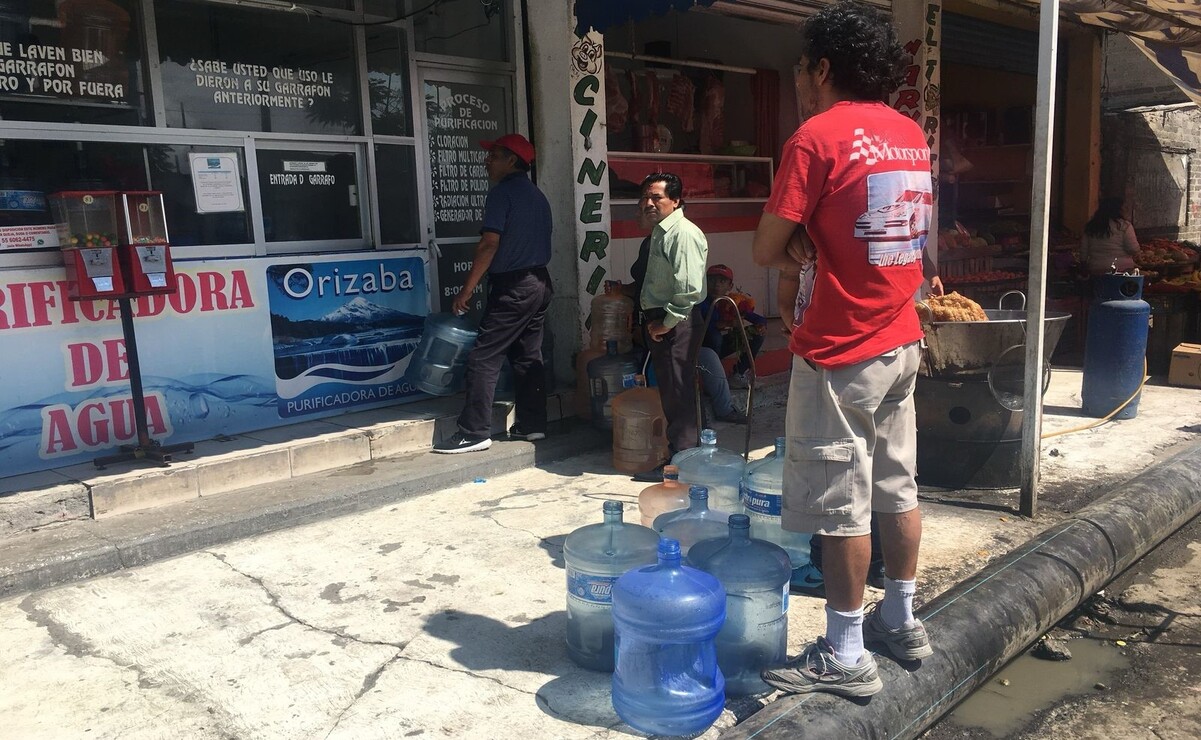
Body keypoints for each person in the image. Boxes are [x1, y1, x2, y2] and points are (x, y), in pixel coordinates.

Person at [750, 1, 935, 698]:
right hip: (899, 338)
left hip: (840, 350)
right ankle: (902, 618)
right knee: (895, 485)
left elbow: (767, 247)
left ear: (822, 67)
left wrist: (798, 241)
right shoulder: (906, 133)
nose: (798, 78)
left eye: (801, 65)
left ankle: (844, 651)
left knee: (840, 505)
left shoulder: (816, 137)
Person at [433, 133, 553, 454]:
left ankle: (473, 432)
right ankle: (532, 424)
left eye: (494, 155)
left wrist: (466, 290)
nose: (487, 161)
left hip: (513, 286)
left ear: (512, 161)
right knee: (528, 355)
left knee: (484, 356)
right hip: (539, 283)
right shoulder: (537, 196)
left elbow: (490, 243)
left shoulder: (502, 194)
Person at [634, 172, 709, 464]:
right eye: (645, 197)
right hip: (665, 321)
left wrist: (665, 323)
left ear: (676, 201)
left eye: (657, 197)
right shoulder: (661, 232)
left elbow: (689, 289)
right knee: (673, 391)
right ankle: (682, 458)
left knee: (679, 392)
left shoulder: (683, 234)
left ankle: (682, 464)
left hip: (676, 321)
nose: (649, 203)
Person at [698, 264, 767, 388]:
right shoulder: (700, 302)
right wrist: (720, 324)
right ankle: (713, 380)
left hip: (720, 348)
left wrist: (761, 325)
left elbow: (758, 318)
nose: (716, 285)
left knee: (756, 334)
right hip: (701, 349)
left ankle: (738, 374)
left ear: (730, 286)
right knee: (715, 337)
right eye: (712, 280)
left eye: (722, 281)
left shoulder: (732, 302)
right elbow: (696, 328)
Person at [1081, 197, 1139, 275]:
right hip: (1122, 269)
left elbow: (1083, 251)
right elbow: (1133, 249)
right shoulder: (1125, 226)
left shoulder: (1091, 226)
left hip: (1096, 268)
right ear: (1118, 210)